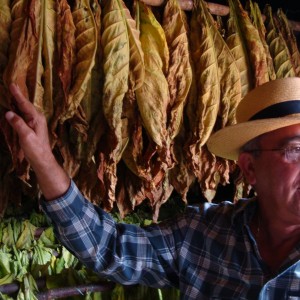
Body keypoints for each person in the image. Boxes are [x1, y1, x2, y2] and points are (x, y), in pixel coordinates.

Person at [4, 77, 300, 299]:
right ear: (250, 168)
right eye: (295, 150)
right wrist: (44, 160)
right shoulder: (205, 233)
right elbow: (109, 248)